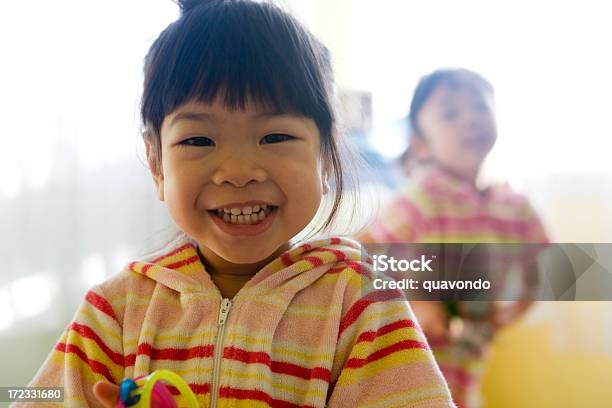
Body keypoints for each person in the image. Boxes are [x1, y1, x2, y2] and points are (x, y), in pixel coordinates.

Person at [15, 2, 455, 407]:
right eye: (198, 139)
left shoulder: (360, 306)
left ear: (324, 155)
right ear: (156, 164)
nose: (239, 171)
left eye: (275, 136)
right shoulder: (114, 312)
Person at [357, 68, 548, 407]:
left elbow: (546, 266)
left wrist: (512, 312)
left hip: (470, 358)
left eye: (481, 107)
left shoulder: (515, 204)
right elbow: (364, 253)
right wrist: (418, 298)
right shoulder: (424, 196)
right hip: (408, 360)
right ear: (421, 144)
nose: (471, 119)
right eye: (450, 113)